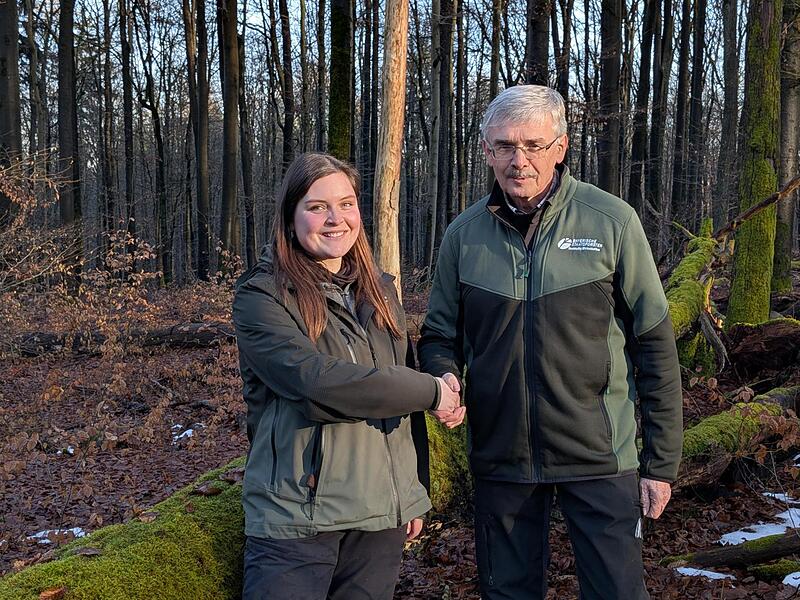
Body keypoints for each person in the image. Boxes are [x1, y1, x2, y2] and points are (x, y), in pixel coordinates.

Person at [418, 85, 683, 599]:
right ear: (486, 150)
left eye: (534, 146)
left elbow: (655, 346)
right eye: (505, 146)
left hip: (600, 454)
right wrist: (443, 373)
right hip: (502, 457)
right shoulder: (464, 235)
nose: (520, 161)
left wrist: (660, 464)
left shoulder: (611, 222)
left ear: (560, 148)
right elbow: (438, 335)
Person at [233, 152, 464, 600]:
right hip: (297, 519)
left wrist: (410, 491)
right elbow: (319, 384)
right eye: (317, 207)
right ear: (290, 216)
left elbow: (400, 380)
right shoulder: (262, 296)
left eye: (346, 203)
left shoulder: (377, 288)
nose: (335, 219)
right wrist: (431, 392)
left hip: (379, 519)